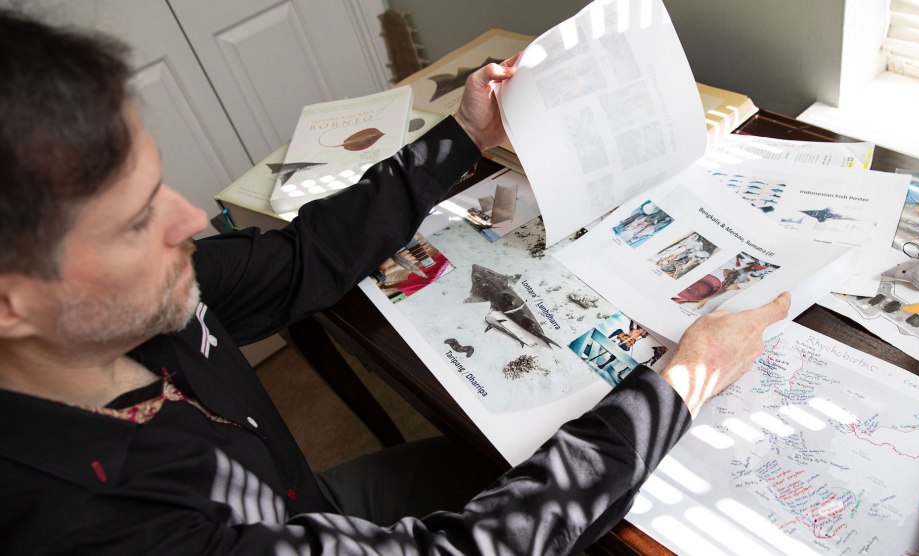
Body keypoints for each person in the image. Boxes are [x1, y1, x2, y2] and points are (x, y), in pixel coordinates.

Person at [0, 11, 791, 555]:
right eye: (137, 221)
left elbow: (302, 261)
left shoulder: (128, 307)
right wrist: (678, 384)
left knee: (555, 479)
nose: (190, 222)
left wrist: (463, 138)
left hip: (303, 502)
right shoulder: (97, 528)